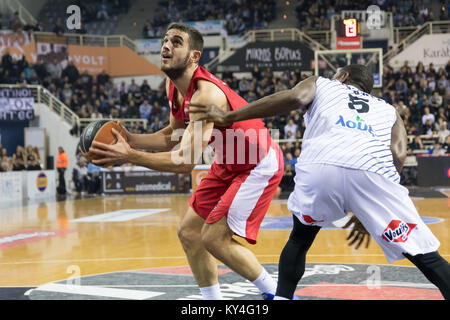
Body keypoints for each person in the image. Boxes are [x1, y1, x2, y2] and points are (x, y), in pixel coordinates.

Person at [188, 64, 450, 300]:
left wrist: (231, 116)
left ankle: (282, 298)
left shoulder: (323, 82)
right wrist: (372, 205)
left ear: (343, 76)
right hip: (373, 173)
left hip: (321, 166)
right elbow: (399, 153)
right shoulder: (388, 110)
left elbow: (294, 97)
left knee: (300, 239)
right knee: (424, 254)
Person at [86, 23, 284, 300]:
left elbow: (185, 161)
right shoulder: (174, 87)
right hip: (228, 161)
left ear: (194, 56)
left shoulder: (206, 94)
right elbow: (173, 136)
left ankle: (277, 295)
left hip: (257, 162)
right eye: (165, 40)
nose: (166, 46)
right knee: (190, 233)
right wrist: (130, 139)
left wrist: (130, 156)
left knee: (213, 238)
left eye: (176, 42)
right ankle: (212, 302)